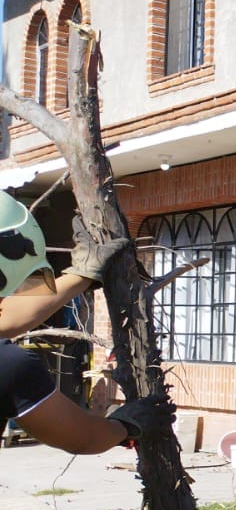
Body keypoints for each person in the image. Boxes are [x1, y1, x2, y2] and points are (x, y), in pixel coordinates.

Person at [1, 191, 170, 452]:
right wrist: (126, 425)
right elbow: (84, 437)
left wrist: (79, 276)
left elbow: (7, 316)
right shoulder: (10, 366)